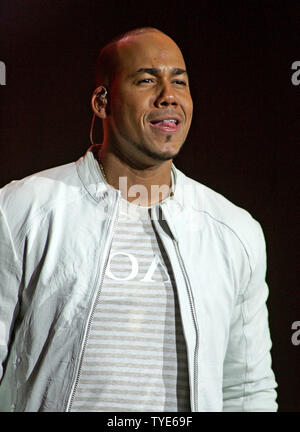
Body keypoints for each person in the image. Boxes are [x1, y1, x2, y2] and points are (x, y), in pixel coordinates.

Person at [0, 27, 278, 412]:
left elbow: (247, 389)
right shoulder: (21, 209)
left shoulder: (234, 230)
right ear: (102, 101)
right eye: (147, 80)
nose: (169, 96)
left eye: (179, 82)